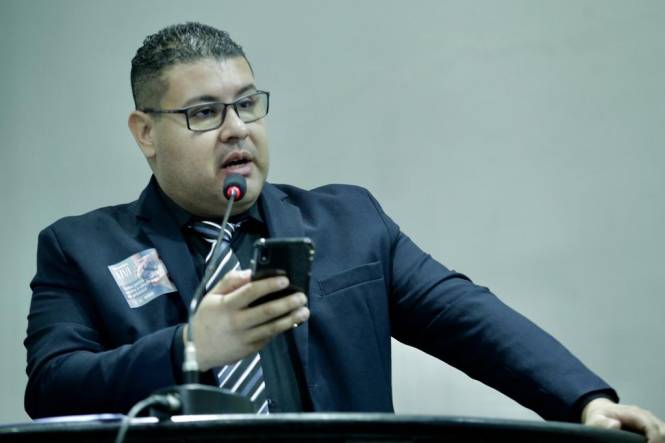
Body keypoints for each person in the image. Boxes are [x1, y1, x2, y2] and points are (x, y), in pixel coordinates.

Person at [24, 22, 664, 441]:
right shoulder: (81, 249)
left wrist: (583, 401)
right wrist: (190, 348)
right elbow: (52, 388)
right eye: (204, 113)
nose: (236, 128)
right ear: (145, 132)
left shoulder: (349, 223)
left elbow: (465, 315)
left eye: (247, 104)